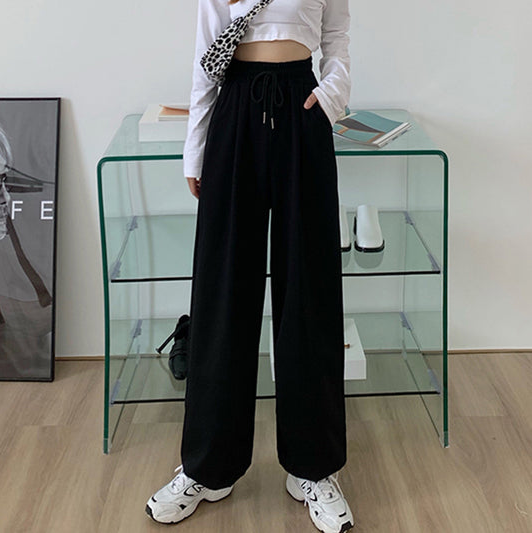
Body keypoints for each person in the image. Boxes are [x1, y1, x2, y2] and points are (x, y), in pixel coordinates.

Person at [146, 0, 354, 531]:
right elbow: (207, 55)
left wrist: (330, 97)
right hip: (235, 110)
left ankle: (313, 467)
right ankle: (208, 467)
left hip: (303, 109)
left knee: (309, 288)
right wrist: (195, 149)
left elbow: (337, 39)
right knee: (223, 291)